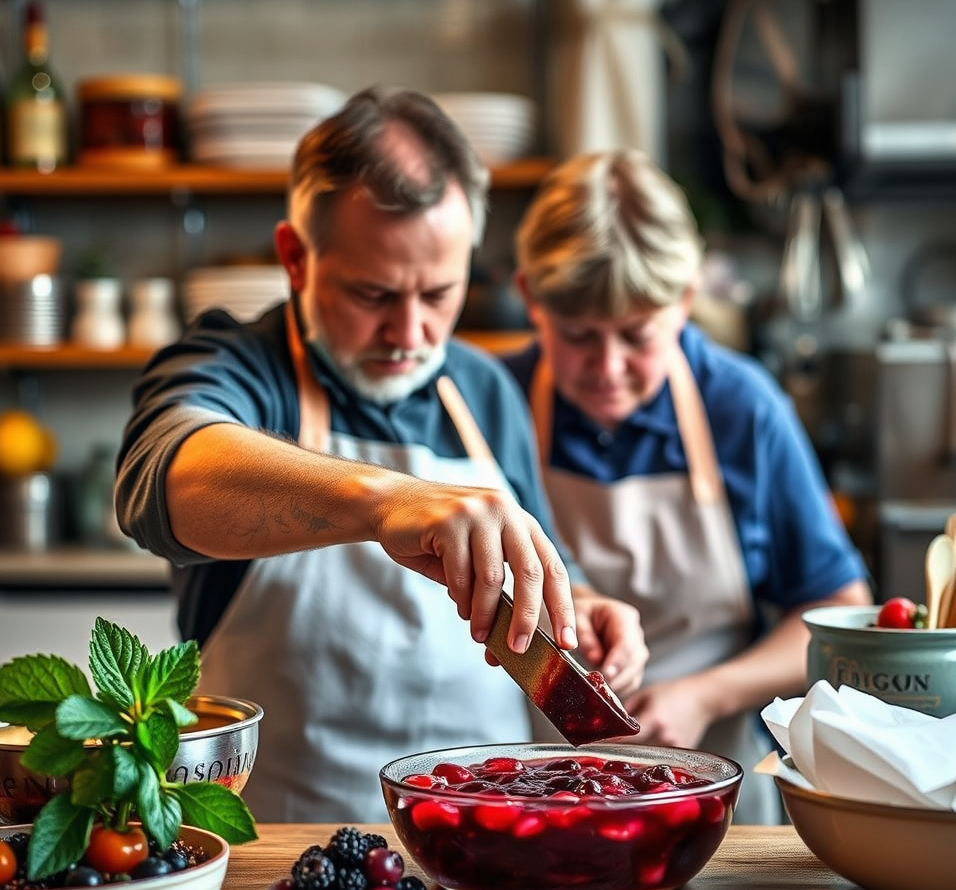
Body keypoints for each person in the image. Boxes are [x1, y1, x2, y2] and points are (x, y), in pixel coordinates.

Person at [114, 88, 648, 824]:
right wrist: (388, 502)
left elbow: (534, 558)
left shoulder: (485, 390)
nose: (410, 332)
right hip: (274, 854)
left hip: (475, 842)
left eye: (439, 293)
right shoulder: (238, 365)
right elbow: (167, 480)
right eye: (374, 294)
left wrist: (579, 608)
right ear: (295, 258)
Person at [503, 149, 872, 823]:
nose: (608, 367)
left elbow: (836, 611)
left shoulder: (743, 408)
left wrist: (705, 695)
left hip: (711, 792)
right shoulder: (496, 403)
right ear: (530, 298)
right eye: (579, 336)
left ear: (685, 300)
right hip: (528, 791)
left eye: (637, 336)